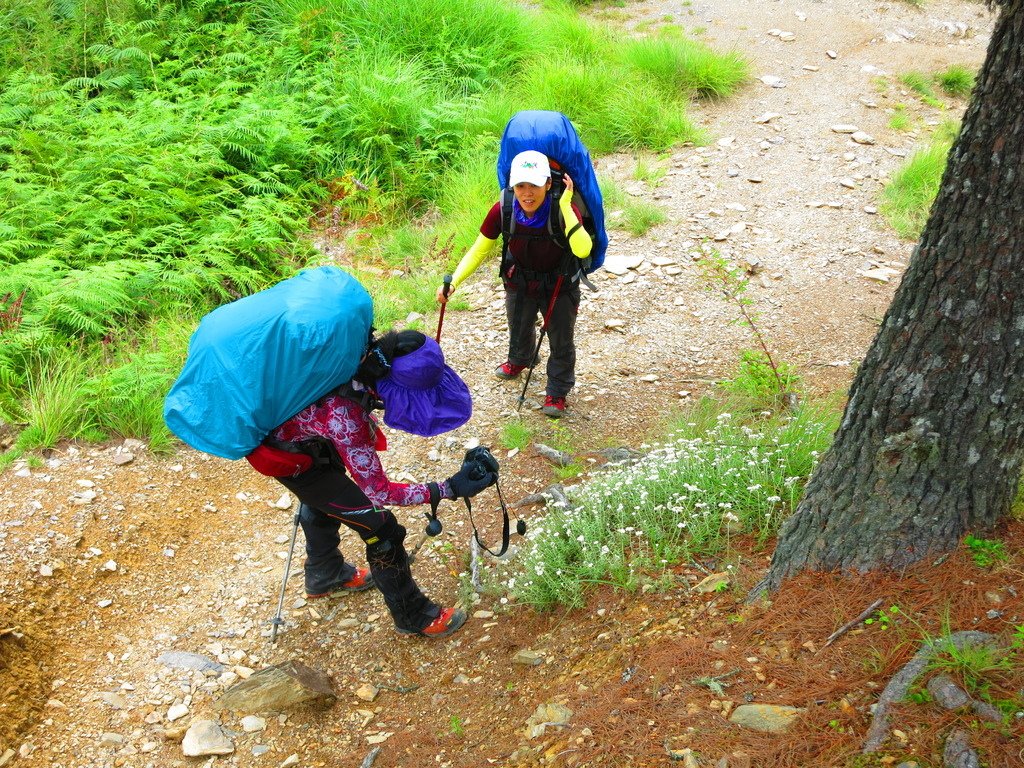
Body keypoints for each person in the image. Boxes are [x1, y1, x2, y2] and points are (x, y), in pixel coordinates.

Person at [266, 330, 495, 639]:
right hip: (292, 455)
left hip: (308, 437)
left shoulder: (359, 352)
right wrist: (448, 488)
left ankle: (325, 573)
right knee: (381, 529)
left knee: (329, 497)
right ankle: (413, 615)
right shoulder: (346, 415)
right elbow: (379, 492)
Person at [437, 149, 593, 418]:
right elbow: (479, 250)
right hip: (519, 280)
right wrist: (455, 282)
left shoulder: (563, 208)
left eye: (534, 184)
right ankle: (521, 359)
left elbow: (582, 250)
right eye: (520, 185)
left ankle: (557, 390)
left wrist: (567, 207)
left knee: (560, 338)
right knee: (518, 324)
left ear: (547, 183)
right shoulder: (504, 208)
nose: (527, 193)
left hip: (559, 284)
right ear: (512, 186)